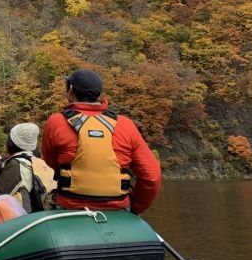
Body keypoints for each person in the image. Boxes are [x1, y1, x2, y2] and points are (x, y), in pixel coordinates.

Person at [41, 69, 162, 215]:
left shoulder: (56, 122)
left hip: (69, 206)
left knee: (44, 199)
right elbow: (152, 176)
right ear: (98, 93)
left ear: (71, 90)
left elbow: (50, 161)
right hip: (119, 207)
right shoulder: (126, 124)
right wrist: (135, 208)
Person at [0, 124, 43, 212]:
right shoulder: (37, 161)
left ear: (11, 143)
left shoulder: (15, 165)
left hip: (22, 219)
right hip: (39, 215)